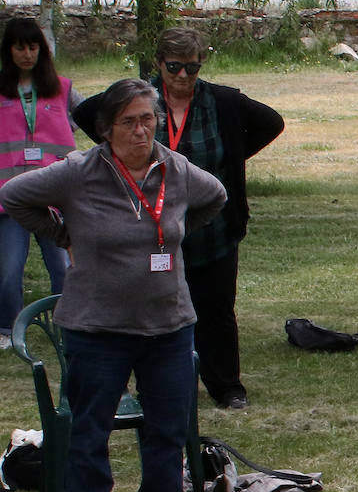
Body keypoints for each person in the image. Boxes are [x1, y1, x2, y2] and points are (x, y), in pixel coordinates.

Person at [0, 79, 227, 492]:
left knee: (167, 423)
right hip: (96, 326)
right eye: (128, 122)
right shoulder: (78, 172)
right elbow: (15, 194)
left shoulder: (176, 169)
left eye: (148, 119)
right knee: (90, 426)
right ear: (106, 129)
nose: (141, 131)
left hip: (168, 322)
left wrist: (176, 227)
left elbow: (217, 197)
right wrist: (63, 234)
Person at [75, 27, 284, 409]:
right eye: (174, 67)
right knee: (150, 307)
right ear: (159, 64)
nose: (184, 76)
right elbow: (85, 112)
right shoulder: (138, 99)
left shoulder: (221, 101)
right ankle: (152, 383)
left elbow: (272, 122)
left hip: (212, 226)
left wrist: (232, 157)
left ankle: (226, 385)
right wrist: (118, 152)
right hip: (150, 226)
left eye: (192, 67)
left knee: (217, 308)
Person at [0, 17, 80, 349]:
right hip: (10, 199)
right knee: (8, 271)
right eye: (20, 47)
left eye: (33, 47)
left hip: (53, 196)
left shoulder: (62, 89)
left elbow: (90, 116)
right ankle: (7, 330)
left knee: (63, 268)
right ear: (9, 50)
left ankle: (70, 324)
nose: (27, 54)